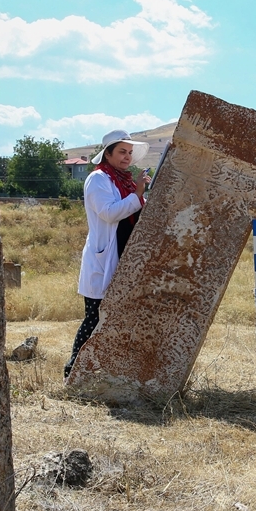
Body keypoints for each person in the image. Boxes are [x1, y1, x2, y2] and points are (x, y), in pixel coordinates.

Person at [64, 129, 151, 378]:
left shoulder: (122, 180)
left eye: (130, 153)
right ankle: (73, 371)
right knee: (94, 318)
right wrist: (137, 194)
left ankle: (106, 373)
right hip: (104, 259)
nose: (127, 157)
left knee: (117, 320)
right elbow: (110, 213)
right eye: (122, 152)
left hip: (122, 257)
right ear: (108, 154)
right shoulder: (98, 179)